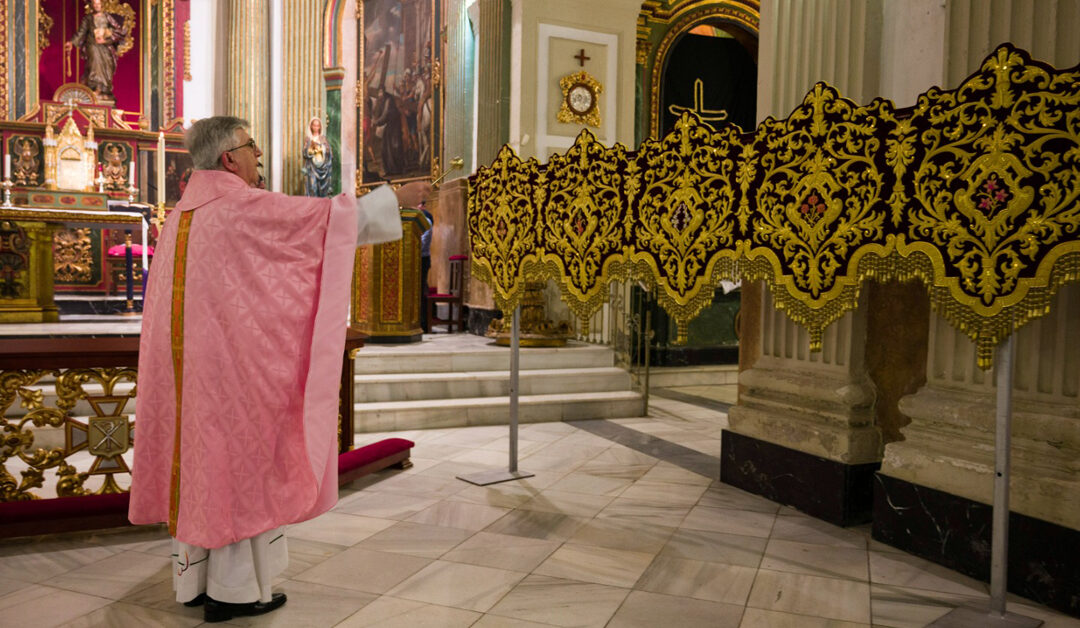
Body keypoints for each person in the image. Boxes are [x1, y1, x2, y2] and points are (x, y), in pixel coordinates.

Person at [128, 116, 431, 623]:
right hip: (231, 377)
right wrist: (394, 202)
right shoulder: (238, 204)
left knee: (200, 470)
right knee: (236, 475)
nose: (258, 156)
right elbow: (323, 224)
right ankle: (235, 593)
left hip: (185, 378)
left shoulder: (181, 212)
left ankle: (194, 584)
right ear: (228, 158)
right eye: (251, 147)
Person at [64, 0, 127, 102]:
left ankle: (103, 90)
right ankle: (96, 88)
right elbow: (81, 32)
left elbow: (118, 31)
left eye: (98, 3)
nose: (97, 6)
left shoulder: (107, 17)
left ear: (101, 4)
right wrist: (72, 42)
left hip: (105, 47)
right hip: (92, 45)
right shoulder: (88, 18)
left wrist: (106, 38)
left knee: (107, 66)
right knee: (95, 63)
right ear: (92, 5)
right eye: (95, 4)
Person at [302, 117, 333, 197]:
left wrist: (321, 149)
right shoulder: (308, 139)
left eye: (317, 126)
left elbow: (329, 153)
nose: (316, 127)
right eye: (314, 125)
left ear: (320, 127)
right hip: (311, 167)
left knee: (322, 189)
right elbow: (304, 153)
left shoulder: (323, 139)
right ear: (311, 126)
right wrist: (311, 150)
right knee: (312, 187)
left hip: (323, 168)